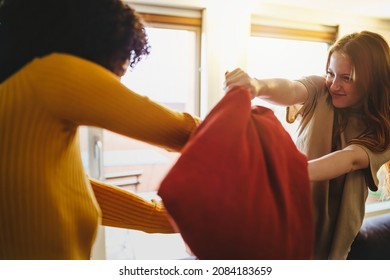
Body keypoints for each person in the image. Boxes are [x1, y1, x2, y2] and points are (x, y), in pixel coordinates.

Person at [0, 0, 200, 259]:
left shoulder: (19, 102)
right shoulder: (51, 75)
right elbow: (185, 133)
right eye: (121, 63)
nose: (118, 79)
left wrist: (173, 218)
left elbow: (71, 191)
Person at [225, 30, 390, 259]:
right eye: (331, 73)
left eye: (347, 78)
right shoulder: (321, 90)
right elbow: (291, 89)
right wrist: (257, 86)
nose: (334, 85)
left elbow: (349, 159)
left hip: (333, 238)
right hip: (290, 216)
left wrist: (288, 170)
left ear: (371, 81)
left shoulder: (381, 131)